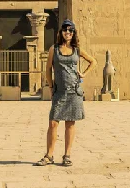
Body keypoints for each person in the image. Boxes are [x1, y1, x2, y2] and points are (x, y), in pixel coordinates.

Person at [35, 19, 97, 167]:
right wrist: (51, 87)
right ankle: (49, 155)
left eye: (70, 30)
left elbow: (93, 61)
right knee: (53, 123)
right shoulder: (54, 49)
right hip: (59, 91)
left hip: (74, 91)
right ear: (61, 32)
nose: (67, 33)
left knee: (70, 123)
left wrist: (83, 74)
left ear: (73, 33)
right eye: (65, 30)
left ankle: (67, 155)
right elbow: (48, 69)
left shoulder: (77, 49)